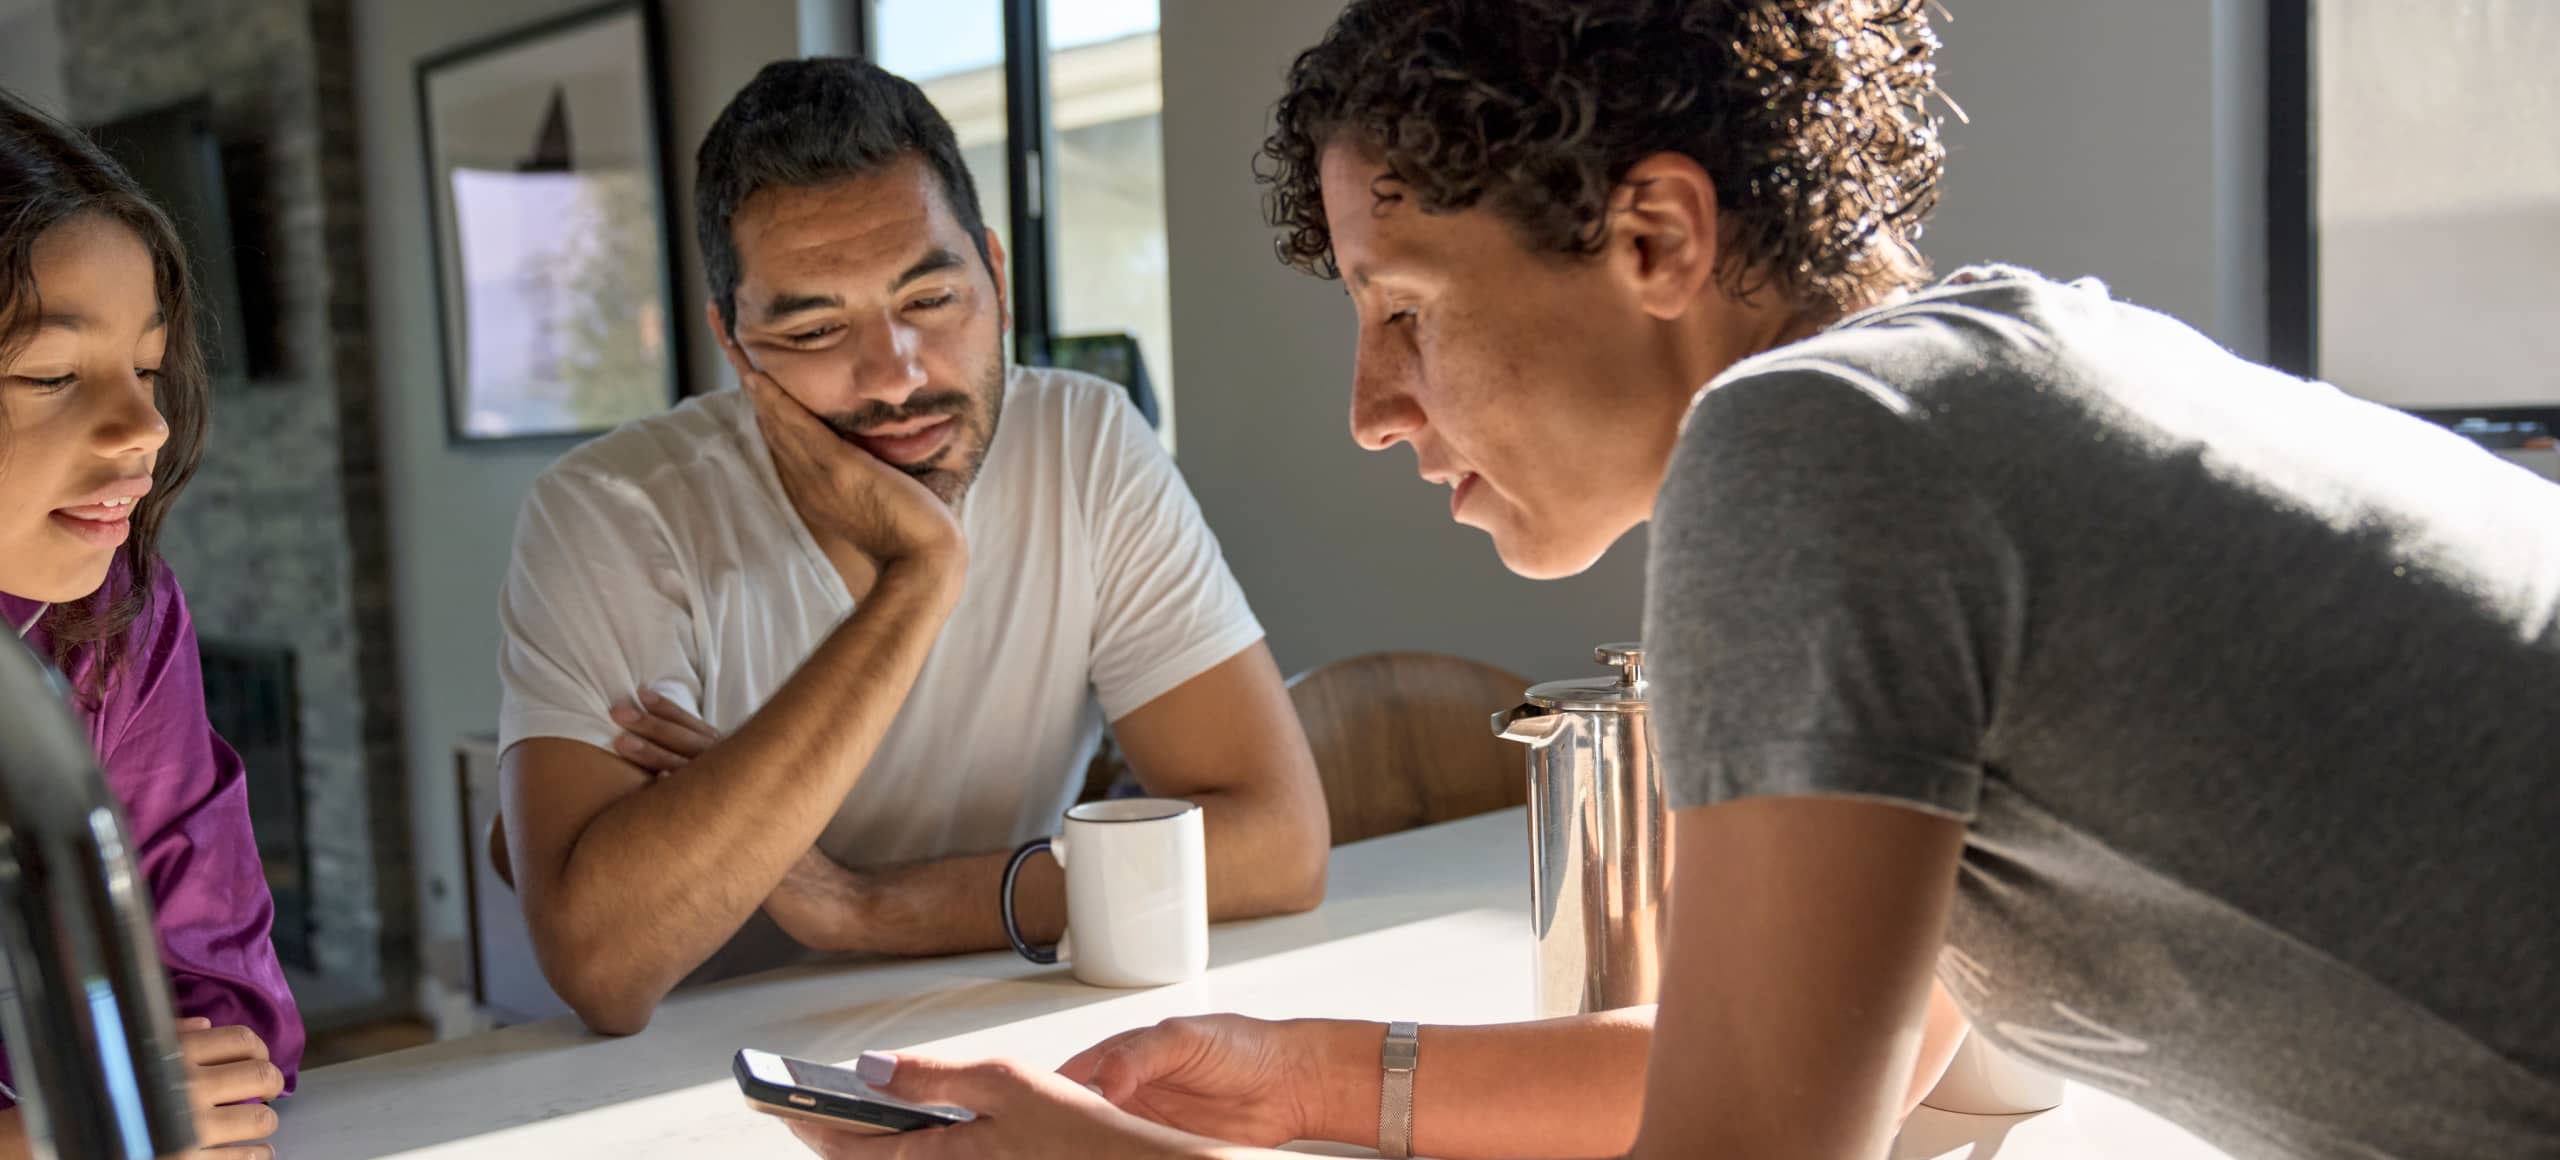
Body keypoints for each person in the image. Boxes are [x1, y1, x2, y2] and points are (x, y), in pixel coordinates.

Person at [782, 2, 2560, 1158]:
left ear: (1656, 238)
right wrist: (1292, 1077)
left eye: (1404, 310)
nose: (1368, 412)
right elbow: (1770, 1072)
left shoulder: (1810, 457)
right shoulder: (1990, 392)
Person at [494, 57, 1330, 1036]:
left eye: (931, 301)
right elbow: (601, 965)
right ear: (734, 343)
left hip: (995, 1023)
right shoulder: (610, 513)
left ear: (995, 274)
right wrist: (920, 576)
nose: (894, 376)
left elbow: (1277, 843)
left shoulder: (1085, 443)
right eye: (814, 326)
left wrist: (863, 908)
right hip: (693, 1070)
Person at [0, 89, 304, 1159]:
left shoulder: (114, 619)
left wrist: (172, 1083)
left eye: (146, 363)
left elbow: (222, 984)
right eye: (49, 372)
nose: (147, 424)